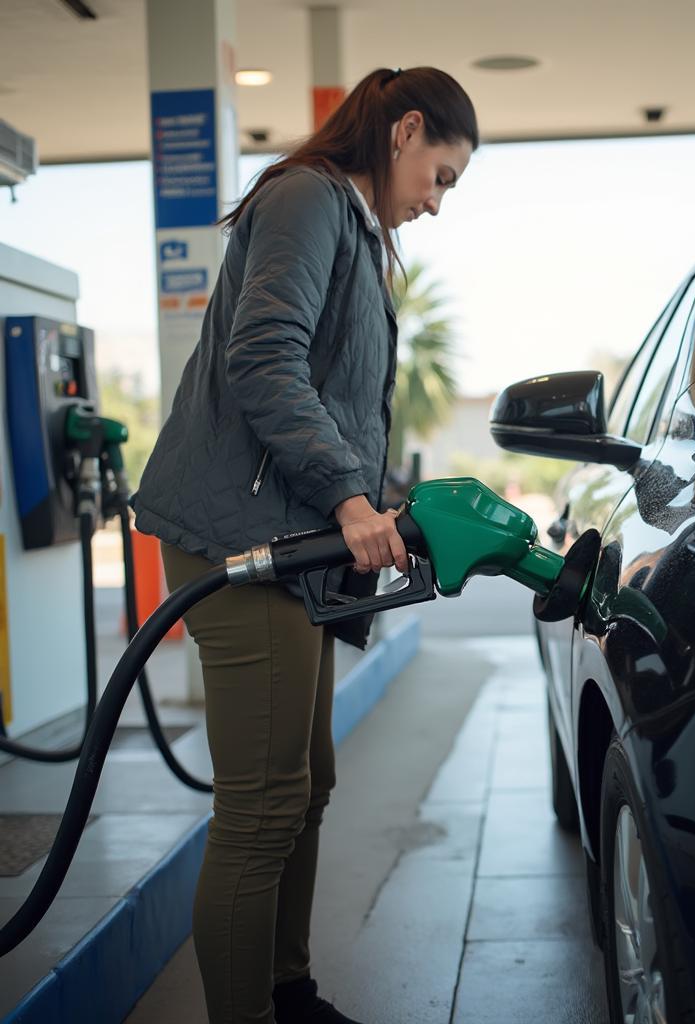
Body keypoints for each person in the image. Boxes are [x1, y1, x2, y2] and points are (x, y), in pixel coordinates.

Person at [132, 67, 477, 1024]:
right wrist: (347, 497)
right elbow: (262, 356)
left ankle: (290, 993)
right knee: (262, 805)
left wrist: (384, 501)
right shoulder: (307, 201)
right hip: (244, 540)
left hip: (294, 544)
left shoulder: (360, 235)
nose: (437, 204)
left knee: (306, 787)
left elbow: (335, 401)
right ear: (405, 131)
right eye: (441, 176)